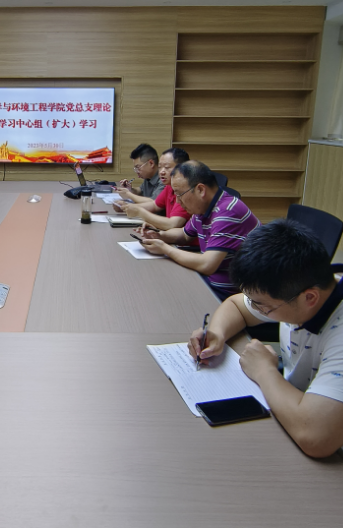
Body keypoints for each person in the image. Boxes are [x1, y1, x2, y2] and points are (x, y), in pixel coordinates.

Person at [188, 220, 343, 458]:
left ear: (309, 298)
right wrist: (217, 334)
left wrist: (264, 370)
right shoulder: (297, 289)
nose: (256, 308)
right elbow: (236, 306)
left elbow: (315, 437)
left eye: (263, 306)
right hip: (293, 405)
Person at [139, 161, 259, 298]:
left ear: (200, 190)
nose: (177, 201)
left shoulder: (228, 212)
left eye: (179, 194)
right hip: (209, 281)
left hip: (231, 294)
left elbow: (207, 265)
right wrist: (159, 235)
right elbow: (184, 235)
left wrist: (165, 249)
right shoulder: (204, 207)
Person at [117, 148, 191, 231]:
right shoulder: (169, 186)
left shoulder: (186, 191)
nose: (161, 172)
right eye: (160, 167)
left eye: (167, 167)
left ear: (182, 169)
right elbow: (155, 205)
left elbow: (172, 224)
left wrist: (140, 212)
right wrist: (126, 207)